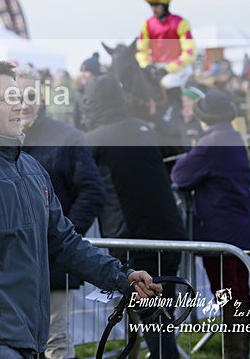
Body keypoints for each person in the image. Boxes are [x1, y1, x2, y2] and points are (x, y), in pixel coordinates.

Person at [0, 61, 161, 359]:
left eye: (20, 97)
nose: (20, 105)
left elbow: (66, 243)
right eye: (8, 98)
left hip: (28, 339)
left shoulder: (32, 169)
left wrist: (122, 277)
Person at [80, 74, 186, 359]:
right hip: (169, 235)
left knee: (153, 318)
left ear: (90, 104)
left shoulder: (93, 140)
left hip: (135, 241)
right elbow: (177, 153)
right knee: (158, 314)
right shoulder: (144, 129)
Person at [15, 65, 106, 359]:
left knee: (55, 341)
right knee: (17, 341)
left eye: (30, 95)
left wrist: (62, 237)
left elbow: (92, 192)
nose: (24, 103)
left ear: (41, 98)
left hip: (53, 264)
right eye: (16, 96)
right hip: (11, 265)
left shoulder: (67, 137)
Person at [172, 90, 250, 358]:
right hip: (240, 227)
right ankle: (244, 351)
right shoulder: (232, 137)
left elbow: (181, 174)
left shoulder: (211, 143)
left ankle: (235, 354)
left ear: (204, 117)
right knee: (241, 294)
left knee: (228, 296)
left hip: (221, 233)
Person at [135, 0, 196, 114]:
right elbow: (141, 50)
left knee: (168, 83)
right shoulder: (147, 25)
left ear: (165, 4)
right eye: (151, 5)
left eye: (156, 5)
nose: (153, 8)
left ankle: (180, 115)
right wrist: (146, 66)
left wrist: (168, 69)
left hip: (178, 68)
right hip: (156, 68)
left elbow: (190, 53)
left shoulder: (181, 23)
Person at [72, 52, 102, 131]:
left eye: (86, 72)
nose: (82, 75)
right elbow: (76, 119)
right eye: (81, 71)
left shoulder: (105, 91)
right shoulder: (79, 93)